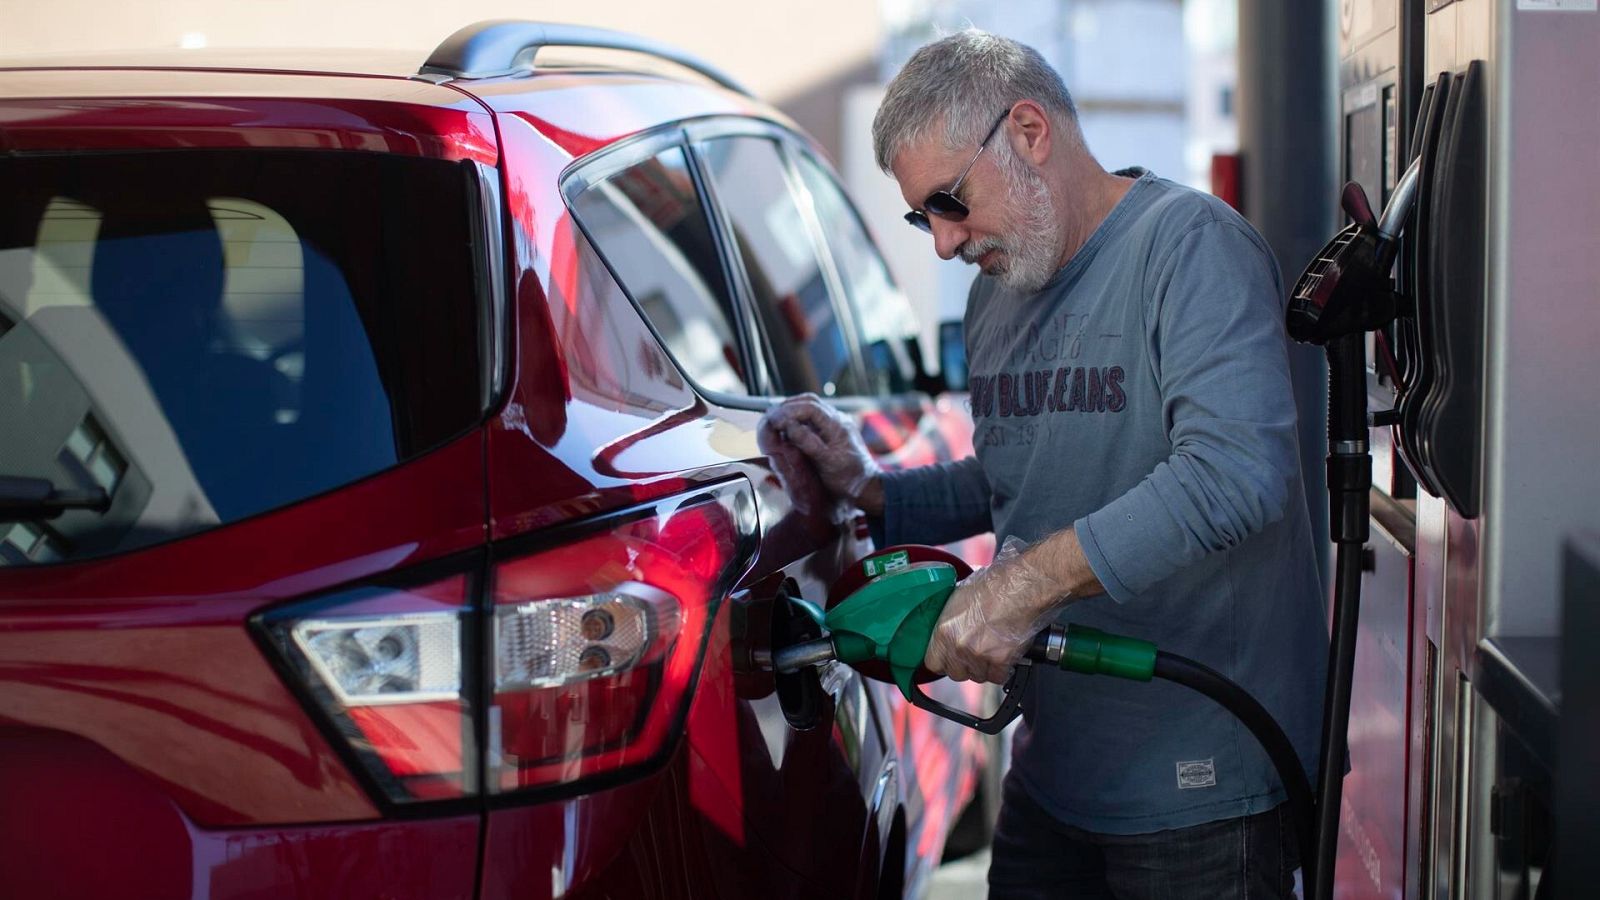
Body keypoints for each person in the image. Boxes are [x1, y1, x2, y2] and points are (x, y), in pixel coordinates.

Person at [759, 29, 1327, 899]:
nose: (943, 243)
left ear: (1028, 131)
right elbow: (1016, 477)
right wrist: (872, 489)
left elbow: (1234, 473)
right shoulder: (998, 295)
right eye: (924, 217)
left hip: (1202, 790)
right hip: (1053, 777)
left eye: (950, 201)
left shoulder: (1189, 248)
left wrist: (1018, 588)